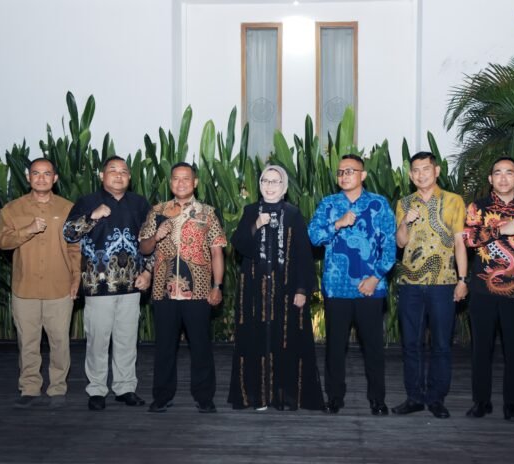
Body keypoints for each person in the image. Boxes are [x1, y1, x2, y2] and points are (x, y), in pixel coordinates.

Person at [227, 165, 325, 411]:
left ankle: (285, 397)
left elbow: (303, 255)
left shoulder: (293, 214)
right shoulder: (251, 211)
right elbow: (239, 245)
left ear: (284, 188)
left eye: (275, 182)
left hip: (286, 291)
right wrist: (256, 225)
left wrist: (302, 289)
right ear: (260, 185)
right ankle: (257, 397)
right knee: (255, 341)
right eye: (265, 181)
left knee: (286, 340)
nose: (270, 186)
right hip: (253, 292)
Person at [308, 154, 397, 415]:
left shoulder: (379, 204)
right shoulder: (329, 203)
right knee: (335, 347)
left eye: (350, 171)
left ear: (363, 175)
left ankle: (377, 399)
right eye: (340, 172)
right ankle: (334, 397)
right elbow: (313, 236)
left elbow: (390, 246)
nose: (344, 176)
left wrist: (375, 277)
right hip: (337, 288)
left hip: (371, 288)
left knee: (373, 348)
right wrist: (337, 223)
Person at [63, 156, 152, 411]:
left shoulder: (139, 203)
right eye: (113, 170)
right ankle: (97, 390)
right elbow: (68, 233)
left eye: (124, 171)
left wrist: (148, 272)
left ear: (129, 177)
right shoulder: (88, 201)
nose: (119, 175)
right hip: (98, 285)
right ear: (102, 176)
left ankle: (125, 388)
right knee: (98, 341)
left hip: (132, 285)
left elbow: (151, 240)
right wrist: (92, 216)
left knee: (127, 340)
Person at [463, 156, 514, 422]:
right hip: (482, 289)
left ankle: (512, 404)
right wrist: (500, 231)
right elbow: (469, 239)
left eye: (509, 173)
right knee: (481, 349)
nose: (503, 177)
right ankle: (481, 401)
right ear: (490, 179)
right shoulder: (478, 207)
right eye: (497, 173)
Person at [138, 162, 226, 413]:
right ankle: (162, 396)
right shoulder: (157, 211)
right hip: (163, 290)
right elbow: (144, 248)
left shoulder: (207, 213)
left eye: (186, 178)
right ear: (170, 183)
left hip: (198, 290)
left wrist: (217, 286)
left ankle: (204, 397)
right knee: (165, 347)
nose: (181, 183)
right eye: (176, 178)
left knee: (201, 346)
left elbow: (217, 252)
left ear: (195, 182)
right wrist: (156, 236)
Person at [0, 157, 80, 409]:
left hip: (60, 287)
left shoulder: (68, 208)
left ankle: (58, 387)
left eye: (47, 173)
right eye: (36, 173)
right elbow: (2, 242)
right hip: (25, 288)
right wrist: (28, 229)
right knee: (28, 342)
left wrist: (77, 278)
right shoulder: (12, 209)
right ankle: (30, 387)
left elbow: (75, 247)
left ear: (55, 178)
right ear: (28, 177)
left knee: (59, 341)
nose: (41, 178)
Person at [392, 152, 468, 419]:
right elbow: (400, 243)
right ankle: (414, 397)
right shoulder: (404, 203)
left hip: (443, 283)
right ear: (410, 175)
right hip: (410, 284)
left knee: (441, 344)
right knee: (410, 344)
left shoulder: (453, 201)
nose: (421, 174)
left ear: (436, 171)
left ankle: (436, 398)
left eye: (426, 169)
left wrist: (462, 279)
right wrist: (405, 221)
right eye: (416, 170)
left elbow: (459, 242)